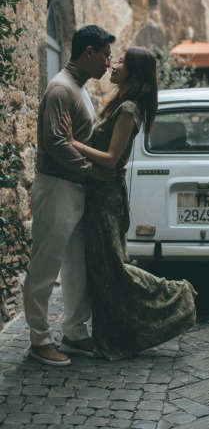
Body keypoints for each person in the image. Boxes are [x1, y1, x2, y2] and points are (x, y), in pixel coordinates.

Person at [60, 46, 197, 360]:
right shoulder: (120, 104)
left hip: (105, 199)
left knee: (113, 270)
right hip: (101, 195)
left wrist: (72, 144)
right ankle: (114, 334)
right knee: (104, 271)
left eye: (120, 61)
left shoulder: (129, 109)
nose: (113, 64)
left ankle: (178, 296)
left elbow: (110, 159)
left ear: (134, 72)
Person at [24, 25, 116, 366]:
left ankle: (75, 333)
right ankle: (39, 340)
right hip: (57, 187)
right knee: (45, 265)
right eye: (105, 55)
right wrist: (92, 171)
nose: (108, 62)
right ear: (88, 52)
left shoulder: (79, 87)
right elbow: (55, 143)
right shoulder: (61, 87)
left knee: (78, 265)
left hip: (77, 187)